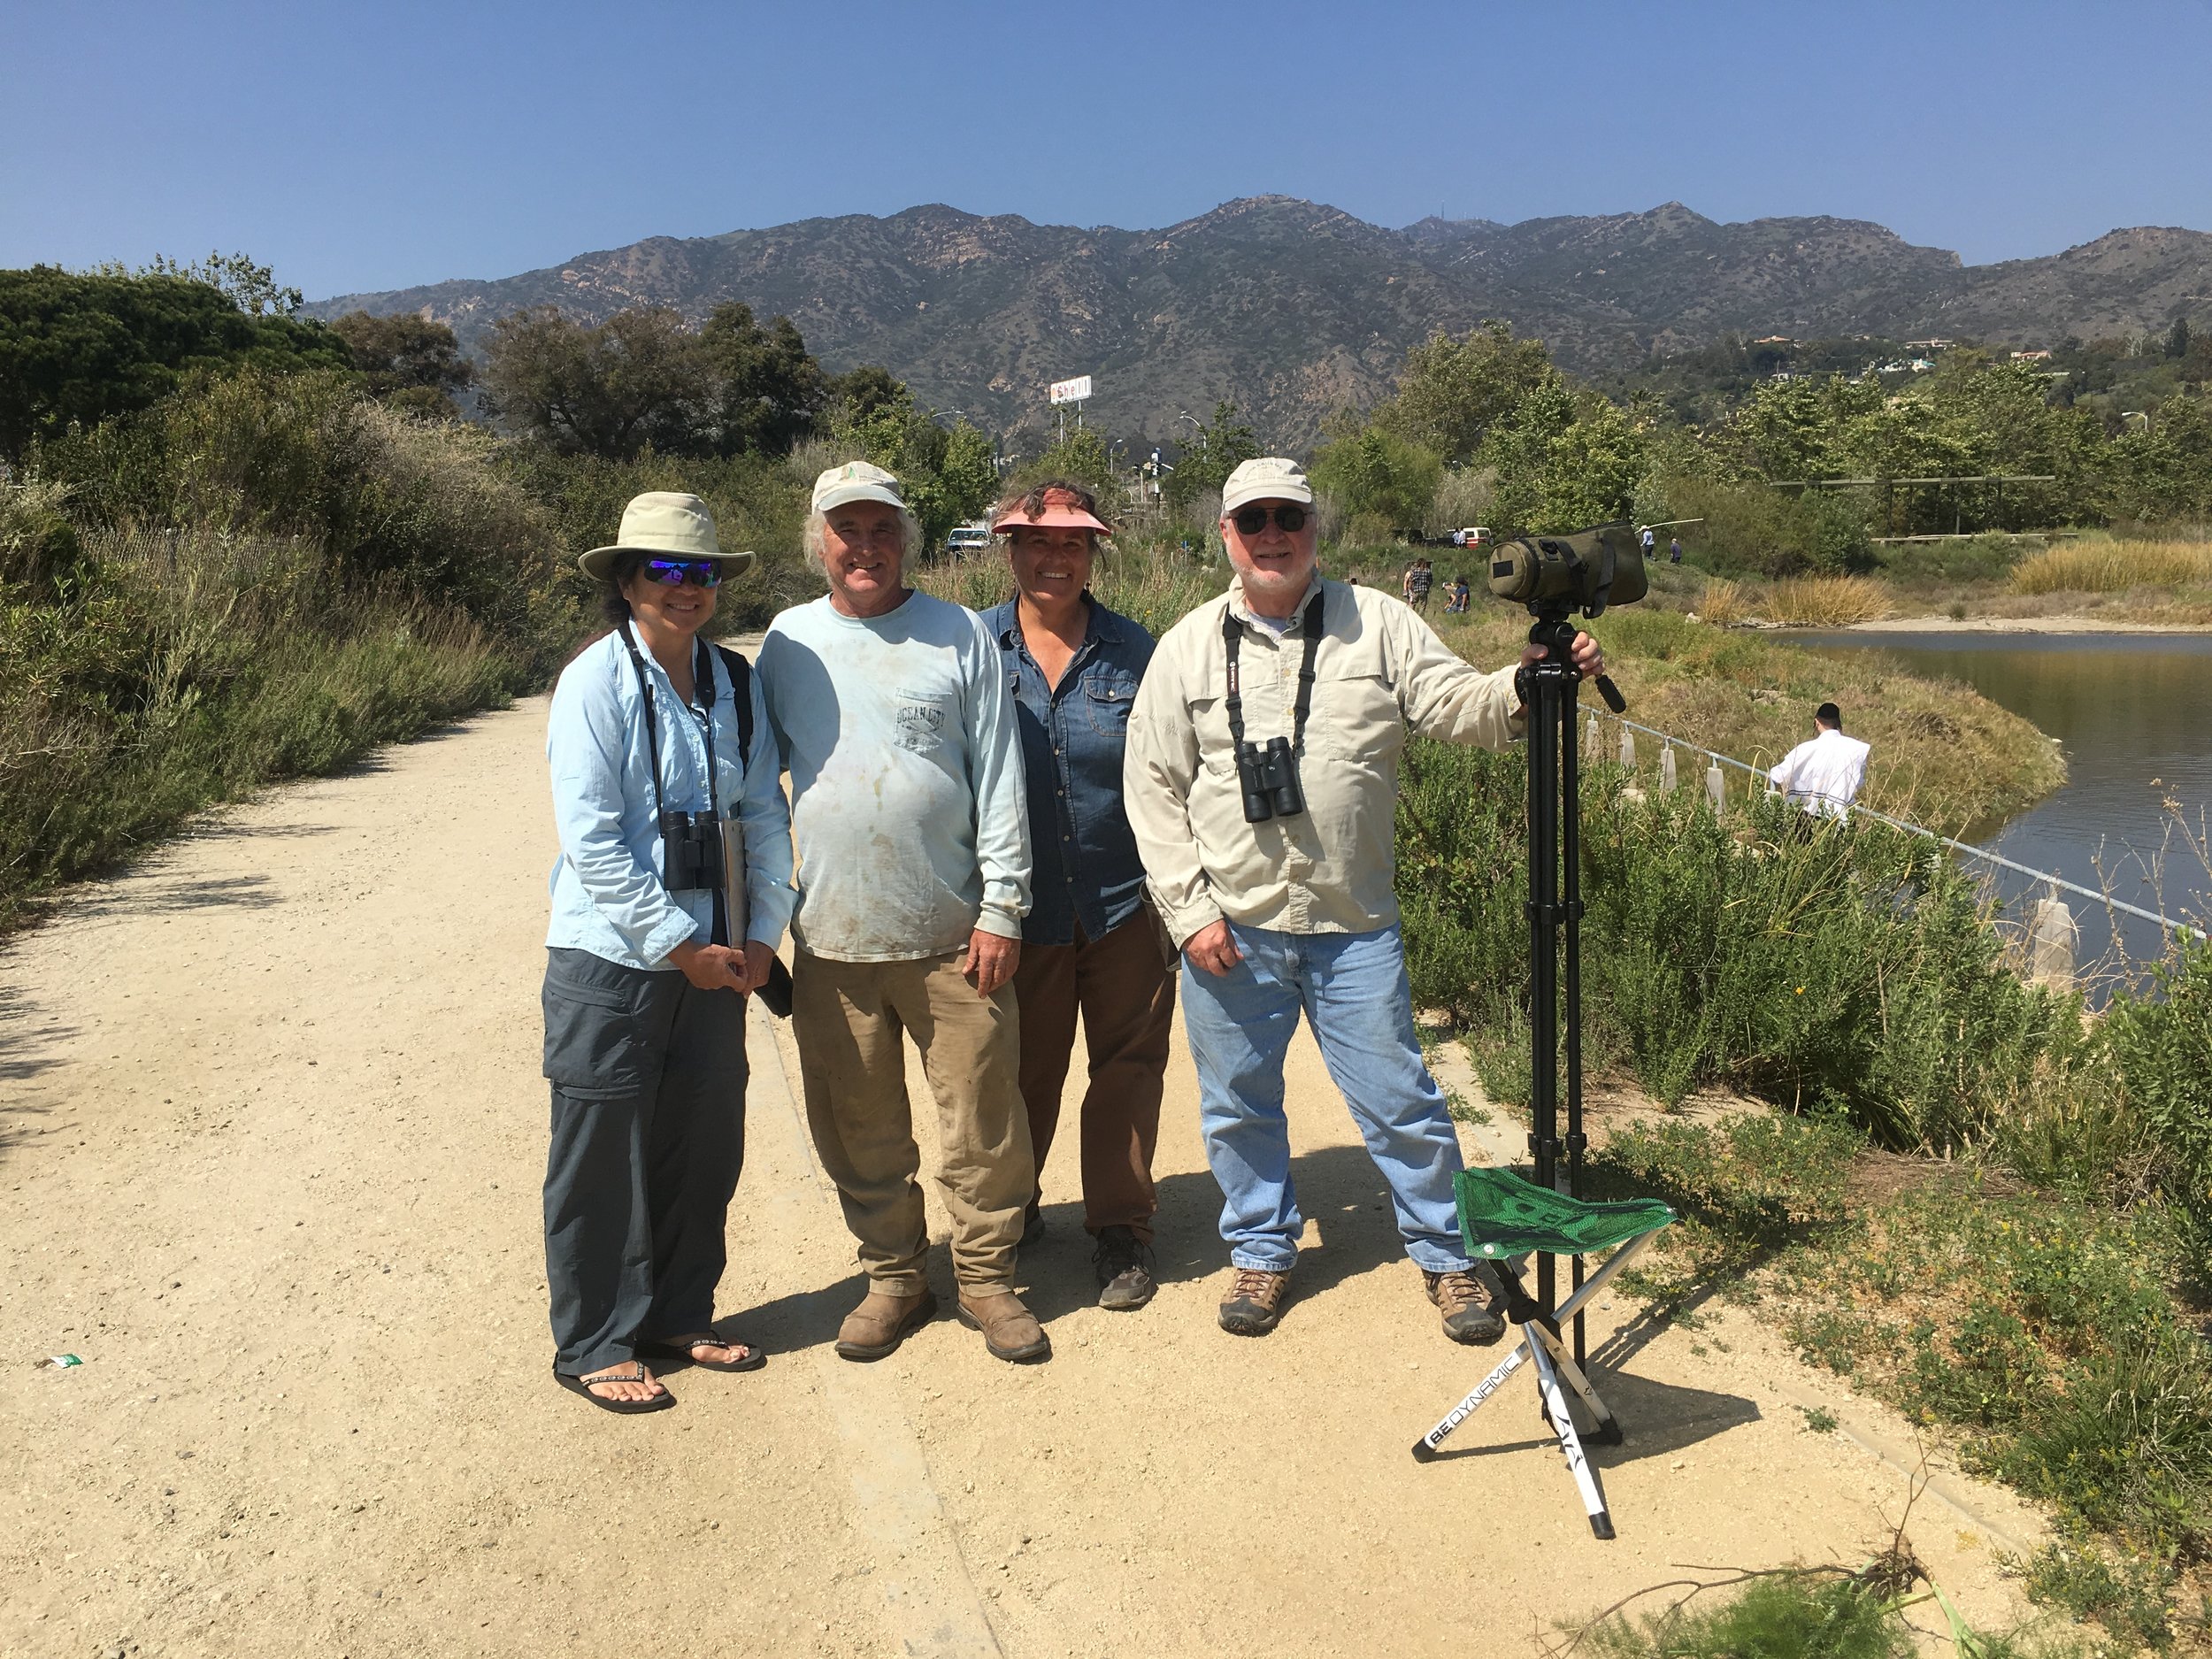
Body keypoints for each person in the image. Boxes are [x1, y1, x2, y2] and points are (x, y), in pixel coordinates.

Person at [1124, 457, 1606, 1344]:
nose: (1273, 534)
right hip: (1232, 925)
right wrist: (1189, 913)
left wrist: (1529, 677)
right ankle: (1263, 1254)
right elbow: (1152, 788)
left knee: (1400, 1099)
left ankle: (1447, 1255)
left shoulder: (1379, 622)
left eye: (1289, 519)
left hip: (1353, 927)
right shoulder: (1187, 645)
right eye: (1253, 520)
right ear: (1225, 535)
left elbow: (1459, 707)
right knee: (1237, 1103)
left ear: (1315, 530)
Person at [758, 461, 1048, 1364]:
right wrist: (762, 916)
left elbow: (999, 775)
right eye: (847, 531)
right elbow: (760, 793)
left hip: (952, 935)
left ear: (905, 540)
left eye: (882, 529)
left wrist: (1003, 906)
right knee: (858, 1119)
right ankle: (891, 1276)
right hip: (835, 936)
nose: (865, 547)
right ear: (819, 544)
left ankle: (987, 1277)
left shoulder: (957, 634)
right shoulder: (787, 643)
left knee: (981, 1119)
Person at [541, 491, 795, 1413]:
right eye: (664, 571)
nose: (685, 590)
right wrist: (677, 942)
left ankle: (682, 1314)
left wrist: (764, 930)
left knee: (701, 1145)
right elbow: (593, 840)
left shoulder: (733, 682)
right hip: (614, 961)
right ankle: (595, 1340)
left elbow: (763, 812)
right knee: (601, 1153)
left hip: (719, 962)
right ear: (625, 581)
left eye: (700, 573)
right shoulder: (595, 684)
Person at [984, 480, 1176, 1312]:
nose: (1053, 556)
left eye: (1071, 542)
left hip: (1123, 899)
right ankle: (1015, 1206)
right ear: (1011, 550)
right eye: (1036, 541)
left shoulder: (1140, 652)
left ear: (1093, 552)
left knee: (1127, 1068)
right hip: (1017, 908)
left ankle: (1121, 1227)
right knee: (1022, 1068)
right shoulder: (972, 648)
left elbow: (1179, 770)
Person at [1768, 703, 1870, 818]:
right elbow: (1859, 783)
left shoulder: (1805, 749)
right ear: (1837, 723)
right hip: (1840, 816)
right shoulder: (1856, 749)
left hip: (1807, 815)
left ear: (1817, 722)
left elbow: (1778, 775)